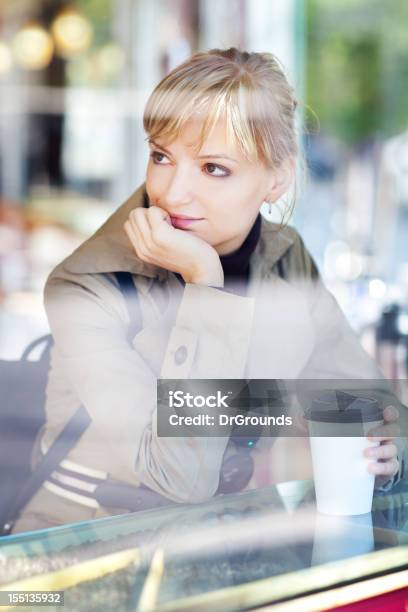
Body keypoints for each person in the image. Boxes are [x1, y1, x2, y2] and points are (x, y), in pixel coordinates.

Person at [12, 48, 404, 533]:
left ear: (277, 178)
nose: (172, 194)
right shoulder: (87, 285)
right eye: (161, 156)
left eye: (213, 168)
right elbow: (179, 476)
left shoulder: (285, 258)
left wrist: (385, 451)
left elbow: (372, 406)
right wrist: (205, 285)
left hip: (223, 547)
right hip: (83, 558)